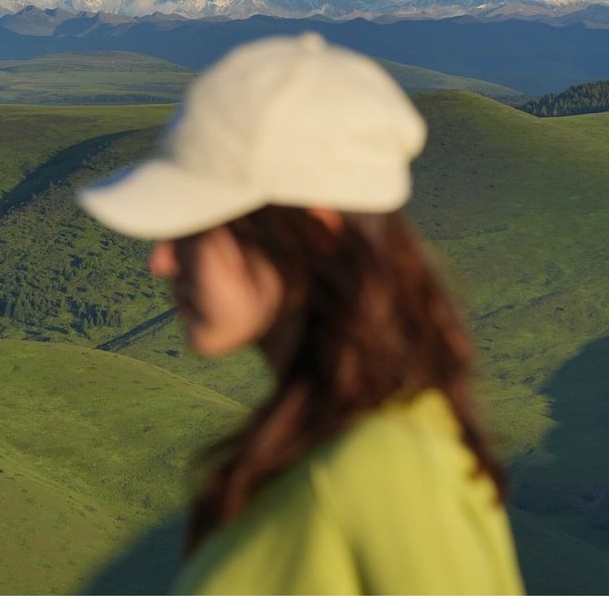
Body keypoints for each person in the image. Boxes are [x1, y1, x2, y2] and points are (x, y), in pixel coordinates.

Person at [78, 32, 524, 595]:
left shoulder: (384, 467)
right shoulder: (361, 447)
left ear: (312, 233)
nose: (161, 260)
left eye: (194, 228)